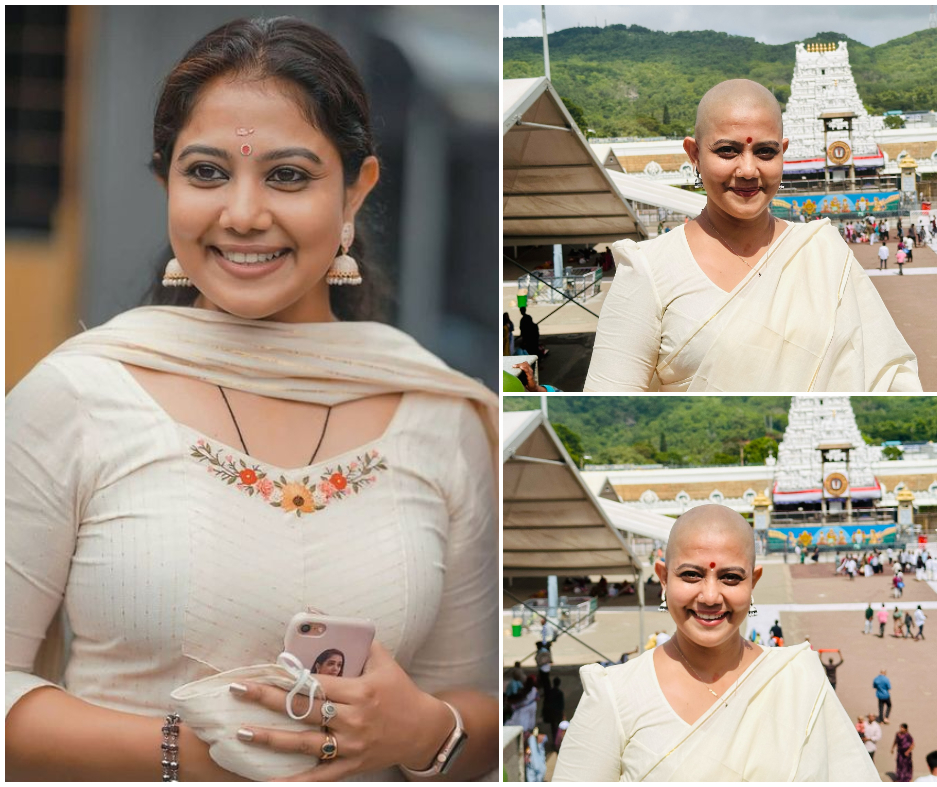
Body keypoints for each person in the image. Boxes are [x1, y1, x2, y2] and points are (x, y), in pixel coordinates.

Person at [4, 17, 500, 782]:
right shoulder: (77, 396)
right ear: (166, 179)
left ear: (355, 189)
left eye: (289, 175)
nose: (241, 213)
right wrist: (186, 753)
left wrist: (422, 726)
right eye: (205, 172)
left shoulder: (440, 417)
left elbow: (478, 710)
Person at [583, 79, 920, 392]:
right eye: (727, 151)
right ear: (694, 155)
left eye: (765, 152)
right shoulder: (648, 270)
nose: (747, 171)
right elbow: (608, 403)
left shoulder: (822, 251)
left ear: (783, 153)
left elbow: (888, 376)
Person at [553, 505, 877, 780]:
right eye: (691, 575)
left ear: (754, 581)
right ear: (663, 578)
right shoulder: (615, 695)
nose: (710, 597)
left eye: (730, 578)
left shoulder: (798, 678)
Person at [544, 677, 566, 750]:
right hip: (557, 714)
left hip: (551, 713)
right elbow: (561, 705)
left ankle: (555, 742)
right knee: (558, 729)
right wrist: (562, 714)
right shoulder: (560, 693)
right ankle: (557, 743)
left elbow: (546, 703)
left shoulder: (550, 692)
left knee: (553, 728)